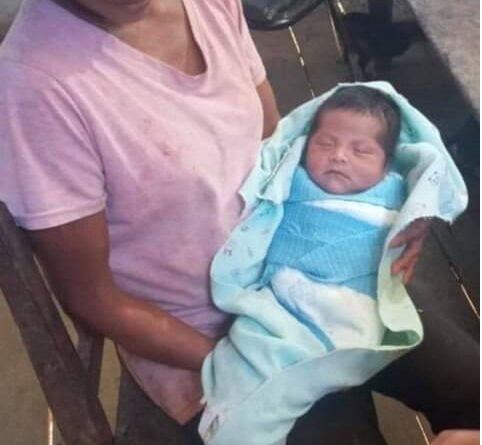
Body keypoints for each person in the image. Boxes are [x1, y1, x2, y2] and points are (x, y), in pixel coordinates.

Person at [0, 1, 476, 444]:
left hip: (313, 276)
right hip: (207, 336)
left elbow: (274, 140)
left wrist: (393, 209)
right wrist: (243, 363)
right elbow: (93, 299)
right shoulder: (35, 83)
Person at [262, 85, 405, 352]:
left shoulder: (395, 196)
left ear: (386, 165)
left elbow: (434, 171)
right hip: (276, 300)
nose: (338, 156)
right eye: (325, 144)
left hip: (353, 302)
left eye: (360, 151)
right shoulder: (286, 180)